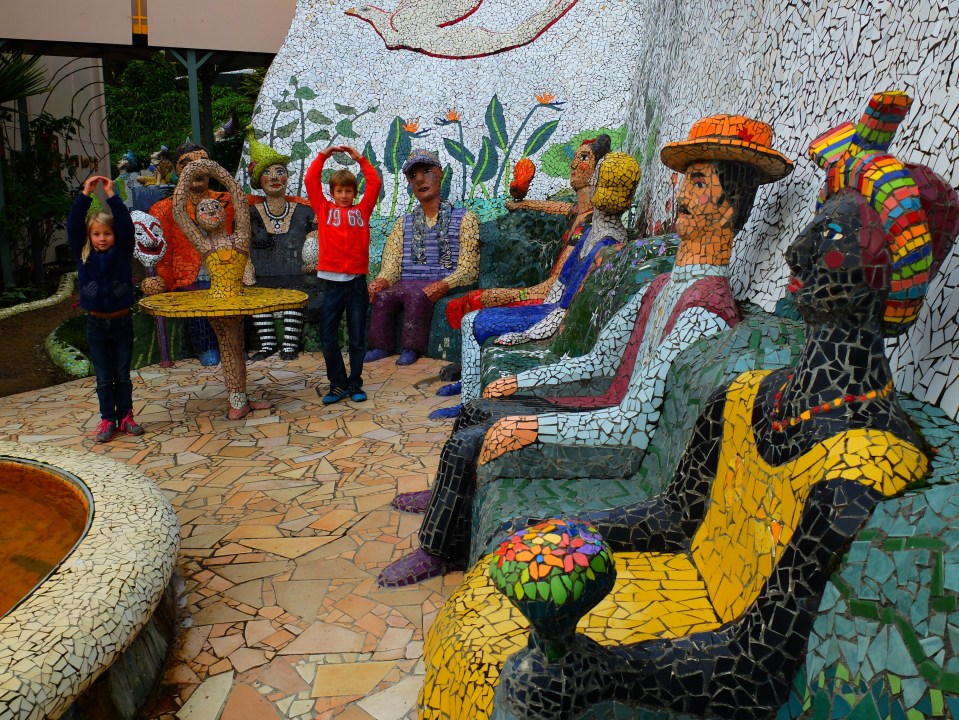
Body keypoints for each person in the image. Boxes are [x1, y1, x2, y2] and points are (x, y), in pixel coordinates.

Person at [419, 91, 959, 720]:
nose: (797, 251)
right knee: (479, 619)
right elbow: (676, 513)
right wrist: (572, 531)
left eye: (831, 234)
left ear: (882, 274)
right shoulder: (746, 395)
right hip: (669, 579)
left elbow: (758, 665)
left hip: (701, 639)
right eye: (812, 226)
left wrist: (602, 671)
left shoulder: (860, 461)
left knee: (509, 668)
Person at [380, 116, 793, 585]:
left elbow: (633, 423)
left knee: (470, 440)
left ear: (727, 207)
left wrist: (533, 426)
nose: (680, 193)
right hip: (602, 407)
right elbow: (598, 361)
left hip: (620, 448)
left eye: (698, 182)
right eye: (684, 180)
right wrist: (522, 381)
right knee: (479, 409)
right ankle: (448, 498)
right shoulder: (662, 286)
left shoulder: (704, 311)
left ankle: (438, 549)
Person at [436, 135, 611, 395]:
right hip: (549, 296)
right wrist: (521, 202)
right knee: (476, 299)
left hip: (549, 302)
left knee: (480, 299)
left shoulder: (589, 223)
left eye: (583, 158)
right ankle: (471, 370)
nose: (574, 164)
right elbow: (553, 207)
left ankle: (471, 378)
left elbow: (554, 287)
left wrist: (514, 295)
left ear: (598, 169)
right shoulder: (577, 212)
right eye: (575, 158)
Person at [140, 159, 307, 420]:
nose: (211, 210)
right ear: (198, 219)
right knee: (229, 347)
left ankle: (240, 397)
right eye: (203, 210)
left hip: (239, 299)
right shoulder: (204, 245)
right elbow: (179, 212)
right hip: (217, 303)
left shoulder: (239, 239)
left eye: (216, 207)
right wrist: (189, 173)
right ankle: (237, 400)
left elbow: (238, 200)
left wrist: (218, 171)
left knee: (236, 347)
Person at [365, 149, 480, 366]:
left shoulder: (465, 219)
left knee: (418, 296)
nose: (419, 179)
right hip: (408, 281)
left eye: (426, 171)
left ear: (439, 174)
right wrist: (381, 281)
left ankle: (412, 348)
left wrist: (445, 284)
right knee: (383, 297)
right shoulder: (403, 223)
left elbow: (469, 269)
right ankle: (380, 345)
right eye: (413, 176)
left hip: (439, 281)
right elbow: (391, 265)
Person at [67, 175, 144, 443]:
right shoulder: (83, 255)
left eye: (107, 233)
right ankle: (107, 419)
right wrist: (85, 194)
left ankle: (126, 417)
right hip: (96, 326)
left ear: (115, 235)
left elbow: (125, 226)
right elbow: (73, 225)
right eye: (97, 234)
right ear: (89, 236)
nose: (102, 238)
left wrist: (111, 195)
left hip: (122, 324)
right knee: (103, 377)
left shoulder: (122, 252)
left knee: (122, 375)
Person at [304, 144, 383, 403]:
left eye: (349, 191)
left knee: (357, 338)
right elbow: (310, 180)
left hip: (357, 284)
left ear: (355, 193)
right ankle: (337, 384)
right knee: (328, 337)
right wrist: (323, 155)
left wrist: (359, 158)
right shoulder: (324, 209)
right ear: (332, 193)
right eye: (339, 191)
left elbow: (375, 182)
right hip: (331, 285)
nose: (344, 195)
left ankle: (355, 384)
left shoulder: (362, 211)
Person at [150, 143, 228, 366]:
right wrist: (164, 282)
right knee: (198, 304)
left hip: (225, 271)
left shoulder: (227, 200)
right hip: (189, 278)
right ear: (177, 170)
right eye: (188, 164)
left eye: (203, 163)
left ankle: (232, 344)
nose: (197, 168)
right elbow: (163, 253)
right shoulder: (163, 209)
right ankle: (206, 348)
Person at [246, 130, 318, 361]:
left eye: (280, 171)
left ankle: (289, 344)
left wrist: (314, 257)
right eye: (267, 172)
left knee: (295, 297)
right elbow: (241, 245)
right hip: (262, 276)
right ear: (259, 180)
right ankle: (268, 344)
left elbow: (317, 237)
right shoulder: (249, 214)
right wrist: (247, 268)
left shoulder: (305, 212)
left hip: (296, 275)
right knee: (258, 299)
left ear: (287, 177)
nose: (274, 177)